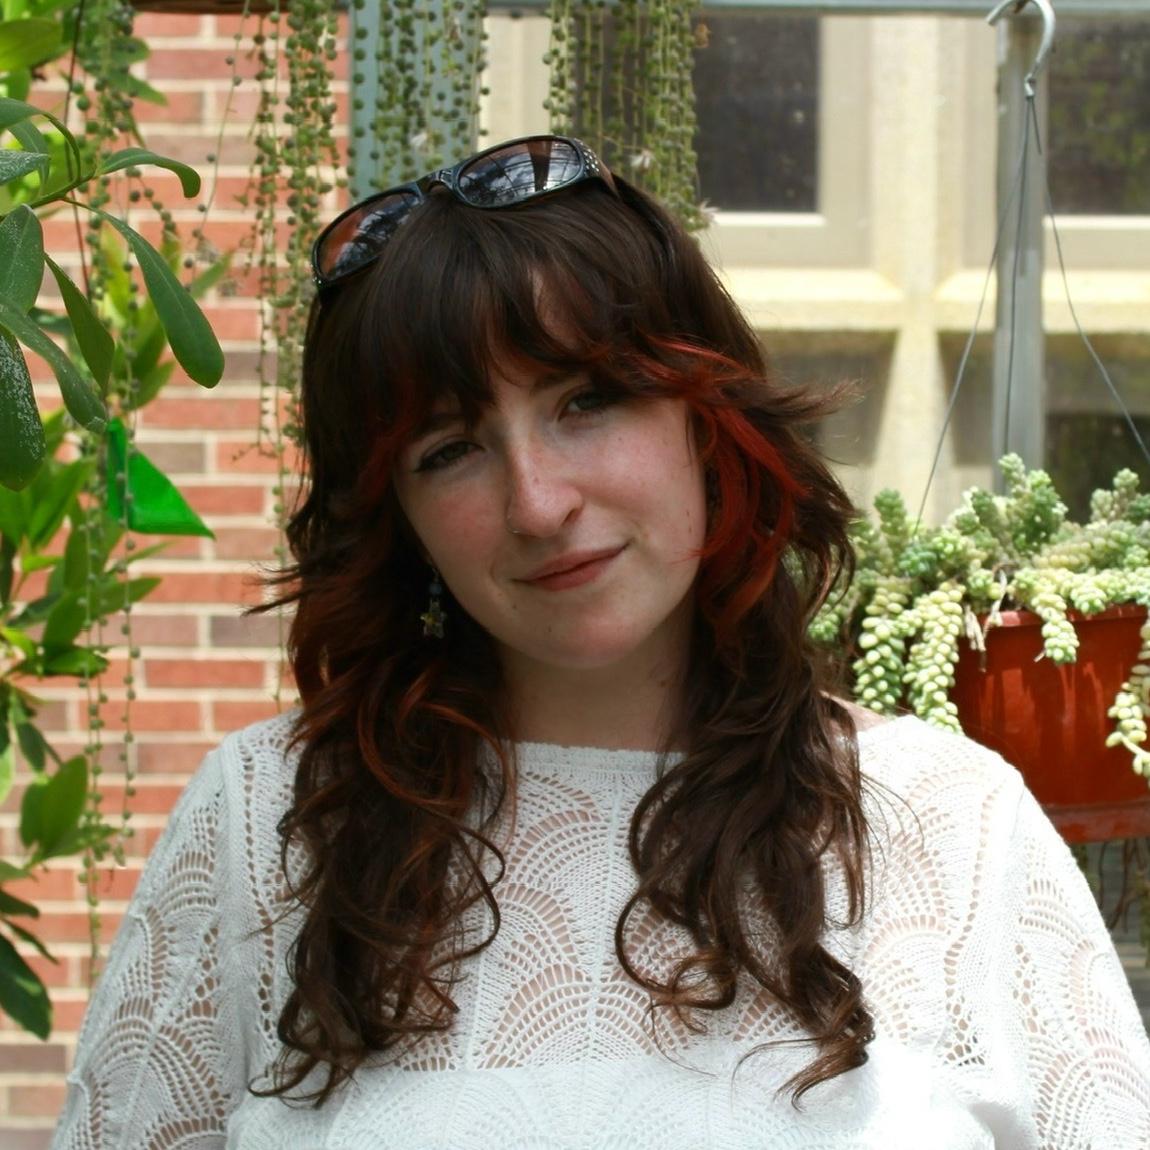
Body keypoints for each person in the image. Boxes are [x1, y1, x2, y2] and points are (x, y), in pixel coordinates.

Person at [53, 136, 1150, 1149]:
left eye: (587, 399)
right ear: (397, 517)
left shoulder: (951, 827)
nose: (536, 501)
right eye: (448, 449)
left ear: (705, 415)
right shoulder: (270, 822)